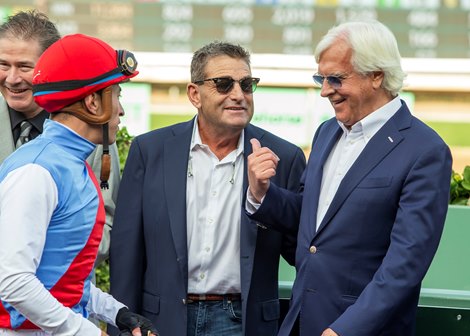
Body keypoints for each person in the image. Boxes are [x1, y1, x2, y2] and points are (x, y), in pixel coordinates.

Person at [246, 20, 453, 336]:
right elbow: (312, 219)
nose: (325, 90)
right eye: (321, 78)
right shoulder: (327, 132)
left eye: (336, 79)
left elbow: (405, 266)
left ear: (376, 76)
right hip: (301, 323)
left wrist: (344, 330)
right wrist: (263, 193)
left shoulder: (425, 150)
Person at [109, 41, 306, 336]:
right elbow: (127, 252)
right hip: (161, 321)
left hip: (243, 322)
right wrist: (122, 325)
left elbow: (302, 251)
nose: (238, 95)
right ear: (194, 94)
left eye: (247, 84)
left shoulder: (282, 158)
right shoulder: (150, 150)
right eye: (224, 84)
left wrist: (264, 197)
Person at [0, 33, 158, 336]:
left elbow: (63, 278)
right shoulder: (37, 170)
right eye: (117, 95)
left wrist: (119, 313)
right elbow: (15, 282)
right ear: (92, 102)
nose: (121, 110)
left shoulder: (70, 164)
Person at [0, 10, 118, 267]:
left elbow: (105, 221)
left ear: (50, 69)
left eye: (24, 67)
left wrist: (50, 263)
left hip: (60, 289)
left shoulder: (96, 131)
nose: (12, 78)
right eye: (3, 65)